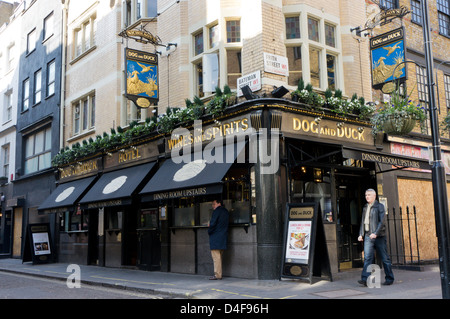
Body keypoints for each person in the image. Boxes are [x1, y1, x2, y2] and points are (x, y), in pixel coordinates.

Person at [357, 188, 394, 286]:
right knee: (367, 258)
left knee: (384, 258)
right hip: (368, 236)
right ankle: (365, 279)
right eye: (366, 195)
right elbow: (363, 221)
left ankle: (390, 278)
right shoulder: (365, 207)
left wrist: (376, 233)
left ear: (374, 196)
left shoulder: (380, 206)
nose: (367, 197)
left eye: (369, 195)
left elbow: (382, 221)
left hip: (379, 236)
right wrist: (361, 234)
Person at [208, 199, 229, 280]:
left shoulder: (216, 212)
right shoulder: (226, 211)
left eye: (214, 204)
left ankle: (217, 275)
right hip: (223, 237)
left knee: (216, 258)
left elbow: (212, 224)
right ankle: (218, 273)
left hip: (216, 237)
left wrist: (209, 231)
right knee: (219, 257)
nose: (213, 206)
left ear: (219, 203)